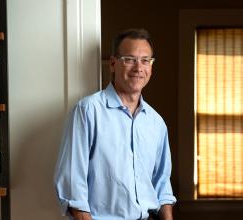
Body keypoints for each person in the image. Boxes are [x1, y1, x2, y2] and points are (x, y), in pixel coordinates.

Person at [54, 28, 176, 220]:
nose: (138, 68)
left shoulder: (156, 123)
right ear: (112, 63)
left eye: (145, 60)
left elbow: (162, 186)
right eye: (129, 59)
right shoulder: (88, 111)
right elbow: (72, 187)